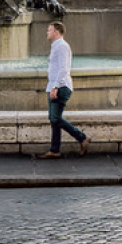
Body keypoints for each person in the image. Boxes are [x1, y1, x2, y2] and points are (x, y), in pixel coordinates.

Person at [38, 21, 89, 159]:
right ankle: (55, 150)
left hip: (60, 87)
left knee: (55, 118)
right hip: (54, 86)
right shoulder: (56, 46)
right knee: (54, 119)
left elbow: (64, 69)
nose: (47, 32)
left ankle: (82, 137)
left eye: (49, 30)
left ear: (56, 31)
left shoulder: (62, 47)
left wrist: (55, 86)